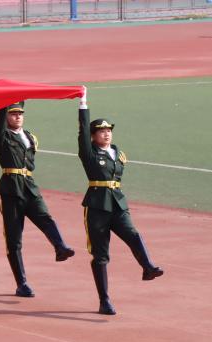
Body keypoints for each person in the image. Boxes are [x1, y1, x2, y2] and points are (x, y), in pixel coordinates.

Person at [77, 87, 164, 315]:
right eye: (101, 131)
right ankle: (104, 300)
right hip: (97, 206)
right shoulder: (89, 153)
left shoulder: (118, 154)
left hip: (117, 204)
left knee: (133, 235)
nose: (106, 134)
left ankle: (148, 267)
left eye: (109, 130)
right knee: (101, 255)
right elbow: (82, 132)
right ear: (93, 136)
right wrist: (83, 103)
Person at [0, 101, 75, 298]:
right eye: (13, 114)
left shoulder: (29, 136)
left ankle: (60, 247)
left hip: (29, 186)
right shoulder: (1, 136)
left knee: (45, 217)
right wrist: (2, 102)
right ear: (7, 116)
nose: (17, 116)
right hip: (11, 189)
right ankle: (22, 284)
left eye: (20, 113)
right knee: (14, 240)